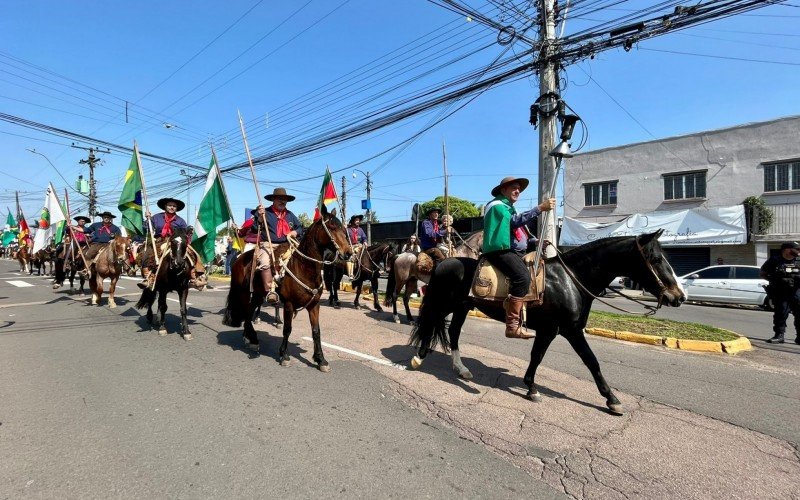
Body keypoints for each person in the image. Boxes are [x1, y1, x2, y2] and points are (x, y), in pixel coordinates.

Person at [482, 176, 556, 339]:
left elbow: (519, 234)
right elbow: (514, 222)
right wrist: (539, 209)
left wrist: (535, 241)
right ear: (503, 190)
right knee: (522, 277)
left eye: (519, 189)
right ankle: (512, 326)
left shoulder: (509, 208)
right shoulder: (497, 206)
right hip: (499, 251)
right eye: (514, 188)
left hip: (513, 251)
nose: (517, 191)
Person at [238, 187, 303, 305]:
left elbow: (300, 228)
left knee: (300, 260)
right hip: (267, 244)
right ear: (273, 199)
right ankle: (270, 291)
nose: (282, 201)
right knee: (264, 262)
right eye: (280, 199)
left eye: (284, 199)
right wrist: (260, 218)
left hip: (287, 245)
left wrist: (295, 232)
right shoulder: (265, 212)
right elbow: (253, 229)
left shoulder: (290, 214)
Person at [138, 198, 205, 290]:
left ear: (176, 208)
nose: (172, 207)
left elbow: (184, 233)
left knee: (193, 253)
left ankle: (195, 277)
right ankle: (148, 277)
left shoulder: (180, 221)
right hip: (160, 240)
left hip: (176, 241)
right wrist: (147, 220)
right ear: (165, 206)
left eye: (174, 206)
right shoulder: (156, 217)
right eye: (170, 205)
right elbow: (146, 229)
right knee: (147, 253)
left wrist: (189, 231)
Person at [761, 241, 800, 344]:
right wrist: (775, 280)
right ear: (786, 249)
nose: (797, 251)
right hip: (780, 291)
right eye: (795, 249)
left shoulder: (798, 260)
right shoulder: (774, 260)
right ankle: (779, 335)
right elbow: (763, 273)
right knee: (781, 313)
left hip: (796, 291)